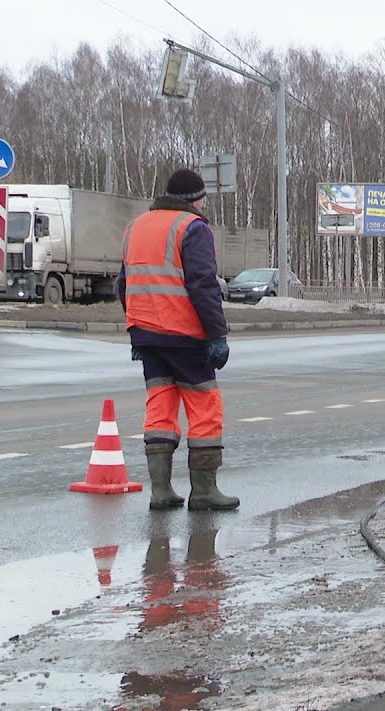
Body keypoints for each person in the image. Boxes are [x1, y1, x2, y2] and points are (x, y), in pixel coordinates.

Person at [116, 168, 238, 512]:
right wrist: (217, 334)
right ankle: (203, 491)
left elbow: (123, 284)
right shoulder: (192, 228)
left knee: (160, 406)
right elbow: (203, 284)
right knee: (204, 408)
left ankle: (161, 490)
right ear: (195, 200)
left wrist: (137, 325)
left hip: (145, 334)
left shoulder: (135, 227)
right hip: (184, 334)